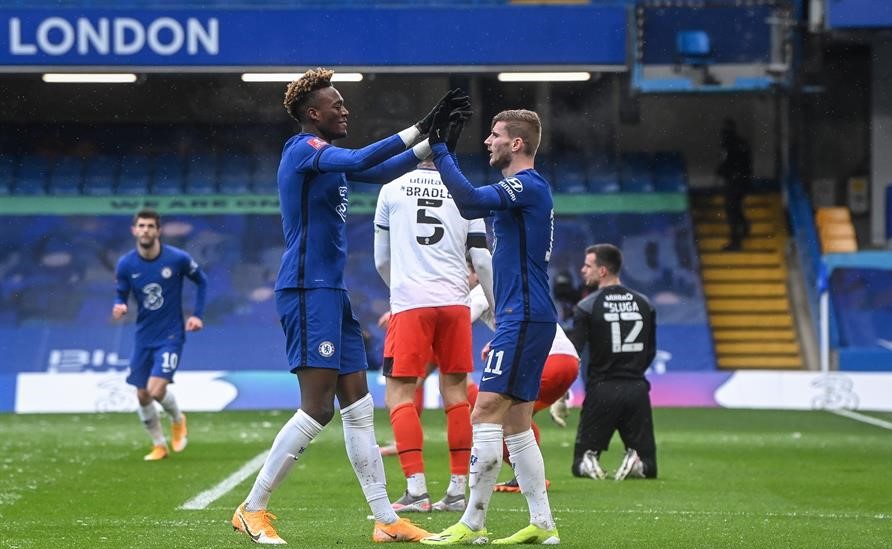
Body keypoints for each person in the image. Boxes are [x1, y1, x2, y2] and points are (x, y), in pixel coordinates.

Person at [231, 67, 470, 545]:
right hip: (306, 289)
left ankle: (386, 520)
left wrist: (435, 143)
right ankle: (251, 508)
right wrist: (419, 127)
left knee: (359, 408)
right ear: (312, 113)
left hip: (330, 292)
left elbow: (378, 170)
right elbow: (363, 157)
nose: (345, 110)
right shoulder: (303, 149)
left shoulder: (327, 159)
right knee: (317, 409)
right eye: (336, 105)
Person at [421, 106, 560, 545]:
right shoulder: (523, 190)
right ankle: (542, 523)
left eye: (495, 134)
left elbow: (467, 201)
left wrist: (441, 150)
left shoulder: (527, 185)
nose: (488, 140)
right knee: (517, 422)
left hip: (523, 315)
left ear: (516, 143)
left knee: (483, 412)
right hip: (526, 314)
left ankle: (472, 522)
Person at [374, 147, 495, 514]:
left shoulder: (391, 188)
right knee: (456, 393)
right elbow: (482, 260)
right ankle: (457, 490)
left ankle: (416, 490)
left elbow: (381, 259)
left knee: (399, 394)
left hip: (411, 303)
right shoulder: (466, 193)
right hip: (456, 303)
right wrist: (494, 304)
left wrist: (399, 290)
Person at [464, 275, 580, 494]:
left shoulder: (484, 287)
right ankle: (528, 477)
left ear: (475, 272)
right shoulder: (517, 285)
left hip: (547, 359)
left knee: (501, 420)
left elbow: (464, 318)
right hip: (569, 360)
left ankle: (529, 477)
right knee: (518, 418)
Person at [112, 209, 206, 461]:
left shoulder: (177, 259)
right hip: (144, 335)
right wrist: (119, 305)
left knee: (155, 390)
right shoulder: (126, 264)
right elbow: (121, 292)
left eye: (150, 226)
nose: (145, 230)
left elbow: (202, 281)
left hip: (171, 335)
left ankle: (178, 418)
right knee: (142, 394)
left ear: (158, 231)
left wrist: (197, 314)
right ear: (134, 230)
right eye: (141, 226)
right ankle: (159, 445)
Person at [570, 243, 658, 481]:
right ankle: (636, 463)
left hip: (602, 390)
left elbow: (573, 352)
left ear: (602, 271)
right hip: (637, 390)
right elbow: (650, 351)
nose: (583, 270)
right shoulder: (644, 303)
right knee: (650, 466)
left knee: (580, 462)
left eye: (588, 266)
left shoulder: (587, 307)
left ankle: (589, 461)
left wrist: (561, 390)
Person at [717, 118, 753, 251]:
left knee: (731, 209)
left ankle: (736, 241)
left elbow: (727, 162)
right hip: (743, 181)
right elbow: (747, 164)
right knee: (736, 207)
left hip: (733, 181)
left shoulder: (728, 144)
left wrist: (720, 171)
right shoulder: (742, 143)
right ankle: (744, 226)